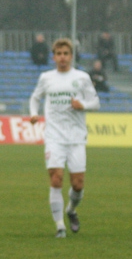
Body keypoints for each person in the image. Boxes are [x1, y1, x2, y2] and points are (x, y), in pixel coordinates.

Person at [29, 38, 100, 238]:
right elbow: (35, 97)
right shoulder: (46, 78)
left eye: (66, 54)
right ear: (54, 57)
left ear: (71, 56)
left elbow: (95, 102)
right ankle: (60, 225)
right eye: (58, 54)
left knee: (78, 185)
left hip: (76, 138)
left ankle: (71, 210)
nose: (62, 57)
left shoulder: (82, 77)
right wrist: (34, 113)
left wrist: (83, 105)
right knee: (56, 179)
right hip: (54, 137)